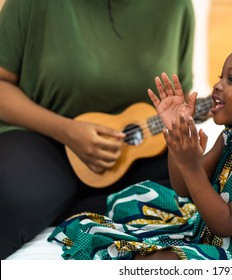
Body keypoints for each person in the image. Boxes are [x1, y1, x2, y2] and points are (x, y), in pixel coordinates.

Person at [47, 37, 232, 260]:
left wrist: (192, 166)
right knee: (132, 198)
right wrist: (177, 137)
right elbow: (183, 188)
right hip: (208, 231)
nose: (217, 86)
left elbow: (225, 224)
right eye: (221, 76)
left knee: (162, 261)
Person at [0, 0, 195, 259]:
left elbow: (177, 98)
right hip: (42, 137)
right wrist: (67, 131)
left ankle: (67, 204)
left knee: (198, 190)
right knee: (12, 196)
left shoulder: (177, 7)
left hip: (134, 153)